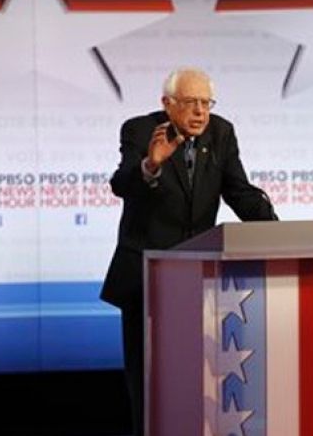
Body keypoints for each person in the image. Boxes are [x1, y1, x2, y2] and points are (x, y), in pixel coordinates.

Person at [100, 67, 277, 436]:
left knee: (196, 375)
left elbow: (239, 192)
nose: (200, 112)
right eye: (190, 102)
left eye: (205, 103)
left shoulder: (221, 132)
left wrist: (278, 232)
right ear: (167, 104)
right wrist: (152, 164)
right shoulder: (139, 131)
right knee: (148, 378)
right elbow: (122, 184)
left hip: (200, 277)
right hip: (146, 277)